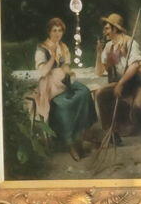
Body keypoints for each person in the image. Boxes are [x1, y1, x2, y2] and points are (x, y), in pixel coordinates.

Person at [92, 12, 141, 159]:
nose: (104, 31)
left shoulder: (130, 43)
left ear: (115, 29)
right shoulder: (109, 47)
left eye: (107, 29)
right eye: (104, 29)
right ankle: (113, 133)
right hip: (126, 83)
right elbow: (99, 72)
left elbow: (135, 66)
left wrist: (120, 84)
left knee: (138, 107)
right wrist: (98, 53)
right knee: (101, 94)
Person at [29, 17, 94, 153]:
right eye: (54, 30)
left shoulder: (63, 47)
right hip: (49, 85)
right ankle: (69, 142)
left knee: (85, 92)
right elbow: (43, 71)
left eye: (60, 30)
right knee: (64, 105)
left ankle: (82, 134)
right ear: (49, 32)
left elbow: (65, 66)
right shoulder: (42, 49)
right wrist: (52, 56)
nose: (57, 34)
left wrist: (70, 73)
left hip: (63, 81)